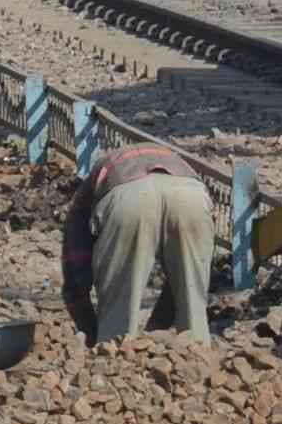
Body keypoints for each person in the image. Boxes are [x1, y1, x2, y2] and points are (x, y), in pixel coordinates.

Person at [61, 143, 215, 347]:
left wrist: (91, 332)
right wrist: (156, 328)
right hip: (190, 195)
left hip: (128, 199)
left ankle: (115, 358)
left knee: (119, 307)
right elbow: (184, 278)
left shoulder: (87, 190)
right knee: (192, 292)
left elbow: (75, 264)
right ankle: (198, 356)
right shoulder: (171, 156)